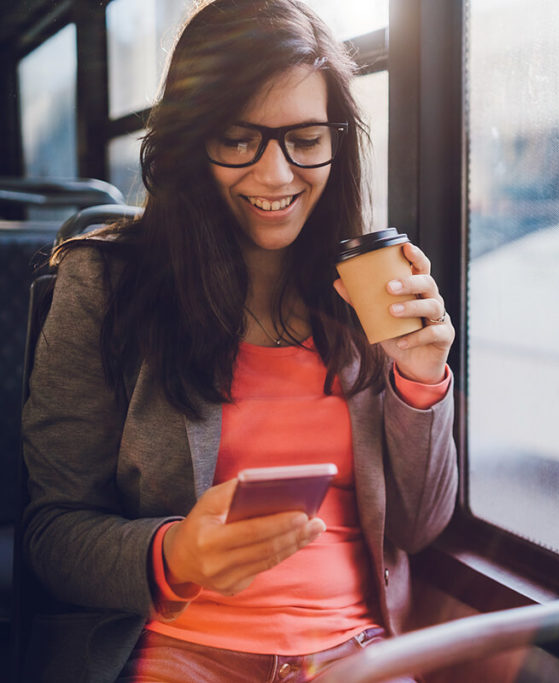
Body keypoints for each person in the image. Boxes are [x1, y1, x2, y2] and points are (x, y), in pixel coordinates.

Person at [19, 0, 457, 680]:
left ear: (338, 142)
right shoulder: (104, 284)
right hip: (180, 652)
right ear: (192, 141)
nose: (277, 174)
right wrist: (177, 554)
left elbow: (420, 526)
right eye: (238, 138)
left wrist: (421, 380)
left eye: (305, 139)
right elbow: (50, 536)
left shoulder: (366, 287)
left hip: (354, 657)